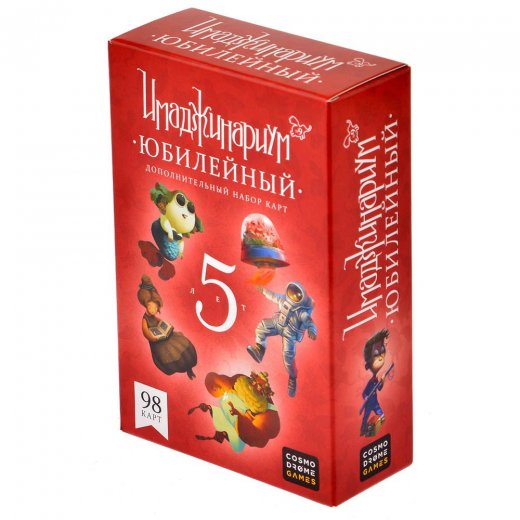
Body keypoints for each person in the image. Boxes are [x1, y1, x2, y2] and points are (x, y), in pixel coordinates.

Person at [137, 275, 197, 379]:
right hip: (157, 342)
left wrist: (167, 326)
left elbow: (159, 321)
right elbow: (145, 331)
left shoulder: (154, 316)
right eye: (151, 307)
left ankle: (189, 368)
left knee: (181, 346)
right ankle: (185, 369)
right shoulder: (145, 319)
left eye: (156, 308)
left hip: (166, 336)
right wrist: (153, 338)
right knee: (170, 353)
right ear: (146, 306)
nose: (154, 310)